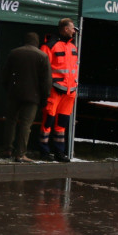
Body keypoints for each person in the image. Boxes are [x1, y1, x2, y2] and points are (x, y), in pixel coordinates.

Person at [1, 32, 51, 163]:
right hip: (32, 96)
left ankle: (7, 149)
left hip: (14, 93)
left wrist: (9, 88)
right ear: (37, 42)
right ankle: (20, 153)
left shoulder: (14, 53)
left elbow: (5, 74)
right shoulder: (42, 56)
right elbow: (46, 81)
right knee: (25, 125)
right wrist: (45, 97)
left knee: (10, 121)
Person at [39, 18, 79, 162]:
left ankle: (59, 152)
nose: (74, 31)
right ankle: (44, 151)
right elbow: (43, 70)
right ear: (66, 29)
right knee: (48, 121)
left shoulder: (73, 47)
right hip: (55, 90)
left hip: (69, 92)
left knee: (62, 124)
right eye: (73, 28)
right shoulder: (49, 46)